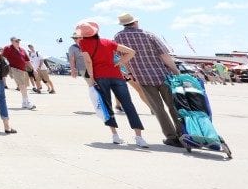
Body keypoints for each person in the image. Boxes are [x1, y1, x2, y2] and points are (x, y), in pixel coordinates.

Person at [113, 13, 183, 148]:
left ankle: (171, 137)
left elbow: (123, 58)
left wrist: (131, 72)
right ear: (136, 22)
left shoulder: (118, 37)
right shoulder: (149, 35)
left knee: (158, 109)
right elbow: (165, 56)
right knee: (173, 107)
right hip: (163, 76)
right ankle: (183, 134)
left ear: (123, 24)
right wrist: (176, 71)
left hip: (143, 78)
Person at [75, 20, 148, 148]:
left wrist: (91, 79)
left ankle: (115, 135)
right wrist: (120, 62)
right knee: (128, 105)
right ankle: (139, 137)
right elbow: (131, 52)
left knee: (106, 106)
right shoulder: (107, 42)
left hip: (100, 77)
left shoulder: (83, 43)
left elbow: (88, 62)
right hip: (117, 76)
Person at [1, 37, 36, 110]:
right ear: (12, 42)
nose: (18, 42)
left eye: (18, 41)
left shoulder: (22, 50)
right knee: (22, 85)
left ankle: (24, 103)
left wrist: (34, 69)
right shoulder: (8, 48)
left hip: (23, 70)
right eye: (16, 41)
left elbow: (27, 61)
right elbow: (2, 57)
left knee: (24, 86)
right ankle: (27, 102)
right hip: (14, 69)